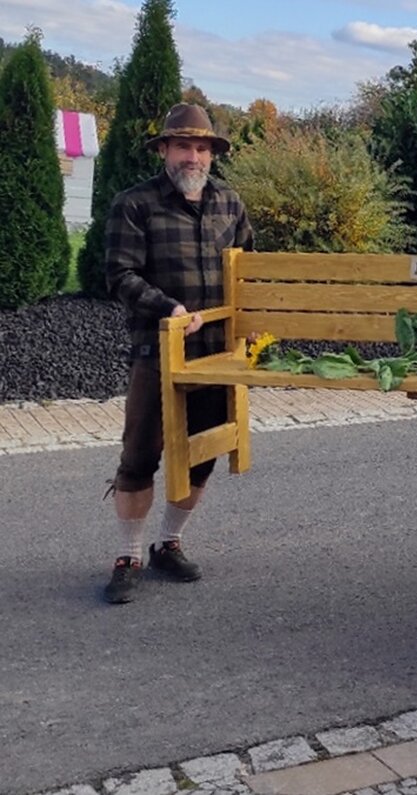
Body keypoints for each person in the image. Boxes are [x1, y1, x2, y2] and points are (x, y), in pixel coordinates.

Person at [102, 103, 253, 604]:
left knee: (202, 456)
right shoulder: (135, 203)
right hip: (156, 351)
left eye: (203, 147)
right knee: (139, 457)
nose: (194, 156)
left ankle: (169, 543)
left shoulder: (229, 202)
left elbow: (247, 269)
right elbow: (119, 275)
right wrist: (169, 307)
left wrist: (254, 327)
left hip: (215, 354)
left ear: (212, 154)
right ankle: (128, 556)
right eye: (184, 146)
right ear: (164, 149)